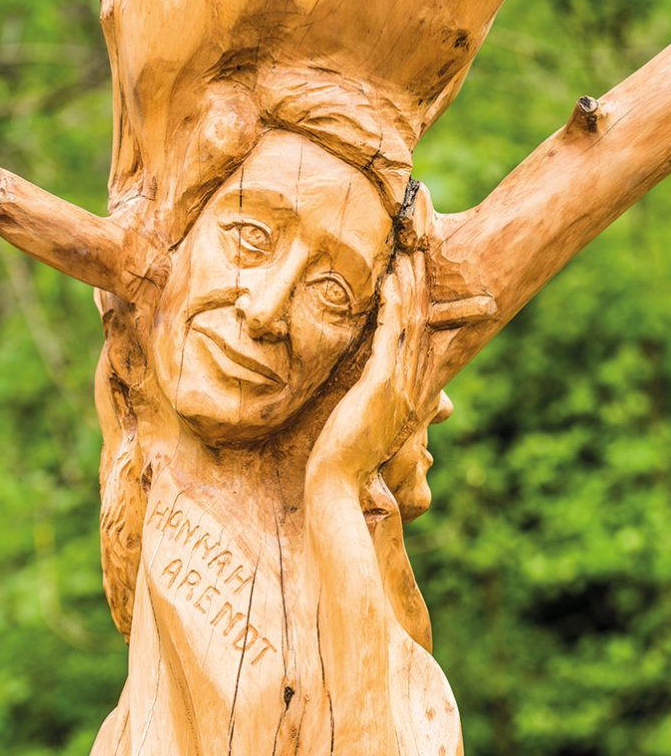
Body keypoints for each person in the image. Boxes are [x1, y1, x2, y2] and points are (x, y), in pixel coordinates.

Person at [91, 126, 460, 756]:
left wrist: (336, 482)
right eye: (250, 237)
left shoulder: (408, 695)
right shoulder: (128, 726)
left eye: (331, 293)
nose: (265, 310)